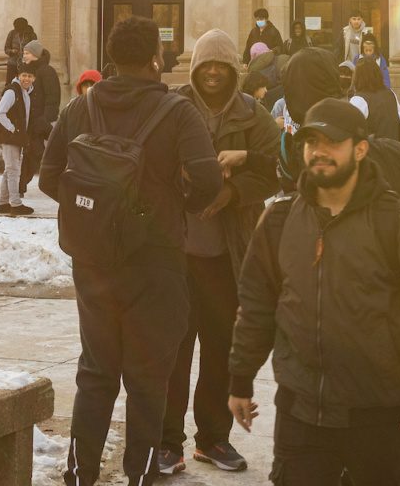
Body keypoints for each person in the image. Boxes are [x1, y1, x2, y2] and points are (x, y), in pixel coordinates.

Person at [229, 98, 400, 485]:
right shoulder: (279, 221)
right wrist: (241, 378)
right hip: (301, 415)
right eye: (312, 142)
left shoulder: (399, 222)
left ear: (360, 149)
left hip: (381, 416)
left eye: (332, 142)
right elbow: (257, 306)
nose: (319, 152)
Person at [39, 15, 220, 486]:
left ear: (113, 57)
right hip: (156, 260)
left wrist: (95, 214)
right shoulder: (178, 112)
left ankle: (80, 473)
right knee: (148, 376)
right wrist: (176, 207)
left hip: (95, 261)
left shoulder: (81, 107)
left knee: (96, 371)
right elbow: (207, 180)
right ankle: (139, 474)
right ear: (156, 59)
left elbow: (47, 174)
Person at [159, 29, 278, 474]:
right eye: (206, 64)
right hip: (176, 251)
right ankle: (166, 441)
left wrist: (234, 188)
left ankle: (212, 438)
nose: (212, 72)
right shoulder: (172, 107)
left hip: (228, 253)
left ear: (234, 70)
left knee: (221, 349)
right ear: (193, 69)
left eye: (222, 65)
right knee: (172, 350)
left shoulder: (254, 115)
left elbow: (277, 171)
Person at [0, 66, 40, 215]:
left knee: (9, 170)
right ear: (19, 76)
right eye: (24, 75)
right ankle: (15, 204)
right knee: (13, 170)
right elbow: (0, 114)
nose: (26, 79)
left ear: (34, 79)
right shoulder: (12, 92)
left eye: (30, 76)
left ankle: (3, 203)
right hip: (10, 137)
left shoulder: (25, 92)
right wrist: (13, 129)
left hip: (17, 137)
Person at [20, 40, 63, 200]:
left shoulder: (47, 71)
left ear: (36, 55)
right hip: (30, 122)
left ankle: (22, 186)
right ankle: (19, 186)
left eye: (28, 53)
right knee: (32, 154)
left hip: (40, 123)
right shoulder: (28, 71)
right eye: (24, 52)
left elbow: (53, 99)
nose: (24, 55)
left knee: (38, 154)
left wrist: (45, 120)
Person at [349, 52, 400, 142]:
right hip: (394, 150)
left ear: (357, 76)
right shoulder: (391, 94)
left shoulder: (359, 100)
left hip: (373, 153)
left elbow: (351, 129)